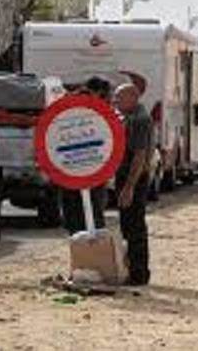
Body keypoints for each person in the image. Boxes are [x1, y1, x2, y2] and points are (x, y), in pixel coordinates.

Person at [61, 76, 111, 235]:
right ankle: (92, 242)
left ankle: (76, 239)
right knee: (93, 211)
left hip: (67, 164)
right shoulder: (94, 106)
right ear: (99, 92)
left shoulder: (67, 101)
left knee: (72, 210)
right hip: (91, 163)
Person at [114, 83, 152, 286]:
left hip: (134, 178)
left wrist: (129, 187)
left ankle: (138, 273)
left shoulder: (139, 120)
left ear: (133, 98)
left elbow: (139, 156)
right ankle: (133, 269)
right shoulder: (129, 117)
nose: (115, 101)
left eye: (119, 97)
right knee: (128, 225)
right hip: (129, 177)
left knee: (134, 227)